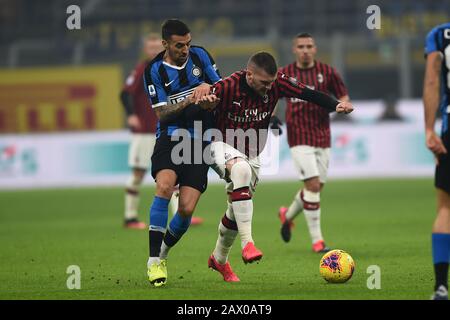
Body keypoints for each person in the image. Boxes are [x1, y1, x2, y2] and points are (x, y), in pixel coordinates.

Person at [200, 52, 353, 282]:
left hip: (252, 152)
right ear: (249, 75)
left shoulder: (277, 83)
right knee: (240, 172)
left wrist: (336, 104)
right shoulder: (227, 86)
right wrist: (202, 105)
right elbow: (198, 108)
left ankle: (219, 259)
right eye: (264, 83)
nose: (268, 88)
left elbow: (307, 93)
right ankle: (248, 244)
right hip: (220, 144)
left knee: (236, 207)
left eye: (271, 83)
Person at [143, 19, 221, 287]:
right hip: (171, 135)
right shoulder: (154, 69)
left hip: (202, 138)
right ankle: (154, 261)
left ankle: (163, 253)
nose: (185, 49)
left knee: (186, 209)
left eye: (187, 43)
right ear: (165, 44)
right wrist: (190, 99)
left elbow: (220, 87)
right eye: (179, 45)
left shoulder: (200, 55)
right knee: (164, 187)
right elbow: (161, 113)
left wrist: (211, 96)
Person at [275, 33, 350, 253]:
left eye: (309, 46)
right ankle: (318, 241)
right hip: (298, 136)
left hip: (322, 136)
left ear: (315, 49)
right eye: (301, 46)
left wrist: (344, 106)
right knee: (314, 186)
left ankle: (286, 216)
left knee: (315, 188)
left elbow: (343, 96)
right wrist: (270, 117)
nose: (305, 50)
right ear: (294, 49)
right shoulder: (285, 74)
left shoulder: (328, 72)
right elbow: (272, 97)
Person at [120, 34, 201, 230]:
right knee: (139, 172)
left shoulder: (168, 69)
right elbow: (125, 93)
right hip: (146, 131)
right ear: (145, 50)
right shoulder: (143, 69)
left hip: (167, 129)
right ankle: (130, 217)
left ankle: (179, 214)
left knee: (172, 175)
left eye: (157, 46)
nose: (154, 50)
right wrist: (131, 115)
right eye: (150, 47)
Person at [423, 22, 450, 300]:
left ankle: (441, 286)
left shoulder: (440, 35)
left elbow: (432, 80)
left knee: (446, 208)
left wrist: (429, 129)